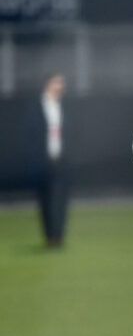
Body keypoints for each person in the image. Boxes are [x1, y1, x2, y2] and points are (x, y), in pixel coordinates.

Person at [26, 73, 70, 248]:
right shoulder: (36, 107)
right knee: (45, 200)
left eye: (61, 83)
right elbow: (29, 135)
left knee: (60, 200)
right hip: (42, 161)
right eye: (57, 82)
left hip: (61, 160)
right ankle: (49, 236)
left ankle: (58, 236)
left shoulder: (65, 107)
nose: (60, 86)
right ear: (48, 84)